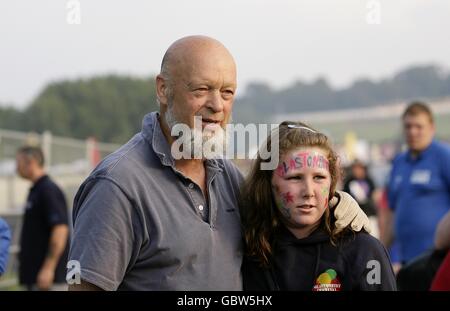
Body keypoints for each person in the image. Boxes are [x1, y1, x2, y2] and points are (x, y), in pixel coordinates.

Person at [68, 35, 371, 291]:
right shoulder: (117, 186)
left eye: (227, 92)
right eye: (201, 90)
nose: (217, 105)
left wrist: (339, 207)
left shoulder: (226, 176)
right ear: (163, 89)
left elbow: (286, 223)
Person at [241, 121, 396, 291]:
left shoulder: (364, 251)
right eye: (295, 178)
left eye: (319, 177)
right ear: (268, 182)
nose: (309, 191)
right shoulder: (247, 247)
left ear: (332, 182)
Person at [386, 102, 450, 265]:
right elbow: (391, 212)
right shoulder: (399, 162)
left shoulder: (443, 156)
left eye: (418, 126)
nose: (413, 131)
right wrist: (381, 250)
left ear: (431, 128)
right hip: (406, 259)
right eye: (408, 126)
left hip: (439, 257)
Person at [16, 146, 70, 290]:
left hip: (48, 281)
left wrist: (48, 268)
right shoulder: (37, 190)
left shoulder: (48, 190)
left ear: (30, 162)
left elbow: (60, 229)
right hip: (35, 279)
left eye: (18, 162)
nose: (16, 167)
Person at [343, 160, 379, 238]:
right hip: (354, 215)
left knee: (373, 236)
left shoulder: (369, 180)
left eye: (360, 168)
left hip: (369, 213)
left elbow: (375, 195)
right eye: (355, 168)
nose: (357, 171)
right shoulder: (349, 181)